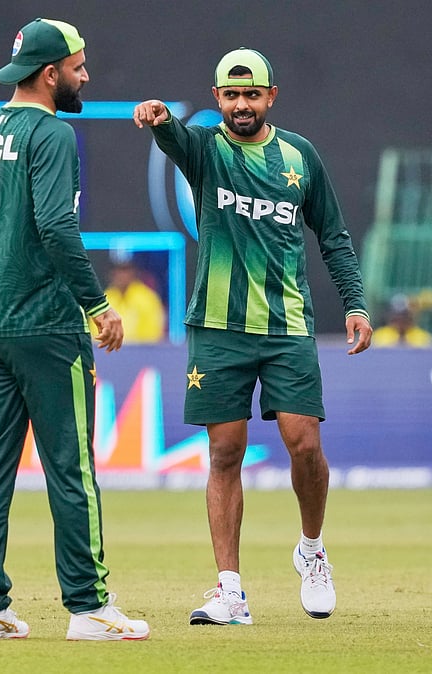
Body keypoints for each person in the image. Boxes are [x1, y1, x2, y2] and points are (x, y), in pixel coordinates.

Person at [133, 47, 372, 625]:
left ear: (271, 97)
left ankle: (311, 550)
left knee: (305, 446)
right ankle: (230, 591)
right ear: (217, 98)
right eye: (232, 95)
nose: (242, 105)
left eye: (252, 95)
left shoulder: (299, 156)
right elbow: (173, 138)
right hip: (218, 328)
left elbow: (333, 235)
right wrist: (158, 118)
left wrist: (355, 303)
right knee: (224, 452)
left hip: (286, 324)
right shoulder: (203, 148)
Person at [0, 18, 149, 641]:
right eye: (79, 67)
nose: (87, 76)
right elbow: (56, 225)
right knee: (71, 468)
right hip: (48, 326)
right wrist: (97, 305)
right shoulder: (53, 133)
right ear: (50, 73)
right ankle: (89, 608)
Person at [105, 259, 167, 343]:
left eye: (125, 271)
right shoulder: (105, 298)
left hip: (141, 349)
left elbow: (153, 334)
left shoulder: (147, 298)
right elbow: (96, 333)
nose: (122, 276)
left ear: (133, 273)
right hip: (108, 348)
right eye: (118, 271)